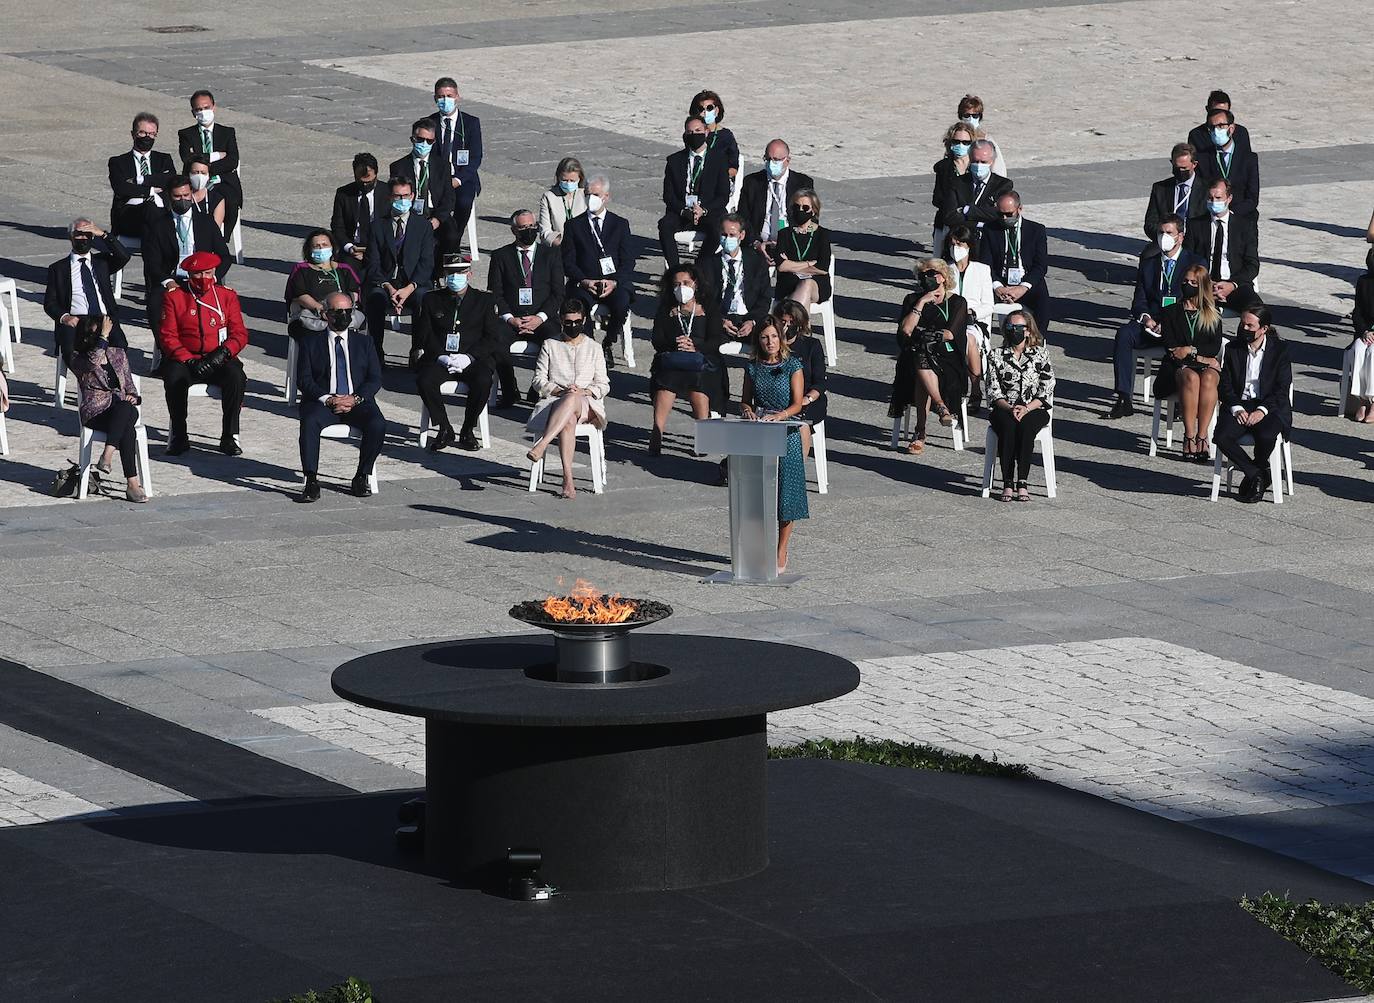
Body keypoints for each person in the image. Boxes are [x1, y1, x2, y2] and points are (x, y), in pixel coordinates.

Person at [1104, 214, 1204, 418]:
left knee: (1182, 340)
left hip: (1178, 324)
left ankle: (1177, 397)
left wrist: (1169, 324)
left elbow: (1197, 301)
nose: (1164, 237)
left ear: (1180, 237)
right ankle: (1124, 397)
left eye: (1169, 233)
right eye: (1161, 232)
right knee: (1124, 334)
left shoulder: (1194, 263)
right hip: (1153, 323)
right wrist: (1146, 318)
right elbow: (1138, 300)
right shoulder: (1149, 262)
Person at [295, 291, 385, 501]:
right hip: (324, 401)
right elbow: (304, 379)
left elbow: (374, 379)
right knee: (309, 422)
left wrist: (355, 398)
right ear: (326, 314)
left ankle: (362, 475)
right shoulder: (310, 342)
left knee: (378, 424)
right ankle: (311, 480)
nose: (343, 316)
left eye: (348, 311)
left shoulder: (365, 343)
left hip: (357, 401)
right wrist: (328, 398)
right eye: (338, 312)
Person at [159, 251, 248, 457]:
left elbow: (239, 334)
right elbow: (167, 336)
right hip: (186, 359)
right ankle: (179, 435)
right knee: (173, 379)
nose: (203, 279)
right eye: (197, 274)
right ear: (189, 275)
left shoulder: (226, 296)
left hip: (217, 357)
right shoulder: (175, 297)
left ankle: (230, 435)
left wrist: (222, 354)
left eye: (207, 273)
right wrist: (188, 359)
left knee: (236, 377)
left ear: (214, 272)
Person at [411, 254, 502, 452]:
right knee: (425, 380)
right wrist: (440, 356)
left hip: (472, 359)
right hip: (441, 357)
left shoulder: (485, 300)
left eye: (459, 272)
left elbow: (492, 337)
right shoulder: (432, 299)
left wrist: (469, 357)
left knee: (483, 381)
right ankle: (444, 427)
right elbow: (424, 334)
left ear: (469, 274)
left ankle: (468, 428)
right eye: (450, 273)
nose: (454, 277)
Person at [740, 317, 807, 572]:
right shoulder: (753, 367)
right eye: (765, 337)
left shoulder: (793, 365)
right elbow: (745, 400)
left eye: (774, 337)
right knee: (759, 494)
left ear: (781, 338)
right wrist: (747, 411)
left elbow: (798, 404)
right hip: (760, 431)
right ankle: (758, 546)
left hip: (785, 429)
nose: (770, 342)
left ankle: (781, 549)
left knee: (786, 494)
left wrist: (780, 416)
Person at [526, 298, 611, 499]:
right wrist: (558, 391)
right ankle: (568, 479)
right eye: (568, 322)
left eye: (577, 322)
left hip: (586, 403)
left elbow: (603, 384)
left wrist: (585, 392)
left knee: (573, 397)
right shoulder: (550, 344)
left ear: (583, 321)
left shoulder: (594, 348)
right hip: (557, 402)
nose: (573, 326)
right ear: (561, 321)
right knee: (568, 421)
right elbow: (538, 380)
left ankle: (543, 444)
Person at [888, 259, 969, 455]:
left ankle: (920, 433)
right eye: (923, 274)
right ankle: (941, 407)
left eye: (931, 273)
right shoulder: (912, 299)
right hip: (915, 357)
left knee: (921, 360)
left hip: (946, 358)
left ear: (943, 276)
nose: (927, 278)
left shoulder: (957, 302)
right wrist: (922, 301)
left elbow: (950, 334)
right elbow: (906, 330)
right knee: (919, 356)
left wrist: (927, 335)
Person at [1215, 303, 1292, 502]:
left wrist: (1262, 410)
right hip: (1240, 403)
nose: (1244, 329)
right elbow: (1225, 384)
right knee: (1222, 437)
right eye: (1242, 324)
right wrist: (1237, 408)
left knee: (1267, 435)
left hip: (1269, 405)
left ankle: (1256, 470)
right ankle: (1257, 474)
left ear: (1264, 329)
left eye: (1250, 326)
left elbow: (1282, 388)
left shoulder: (1280, 350)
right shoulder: (1233, 348)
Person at [141, 176, 231, 342]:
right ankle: (166, 352)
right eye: (177, 197)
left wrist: (212, 276)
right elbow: (151, 261)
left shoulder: (206, 222)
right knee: (155, 303)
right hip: (173, 279)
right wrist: (167, 281)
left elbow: (224, 256)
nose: (182, 200)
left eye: (186, 196)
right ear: (169, 196)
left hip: (203, 279)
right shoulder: (159, 225)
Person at [68, 316, 147, 503]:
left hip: (121, 408)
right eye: (95, 335)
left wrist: (132, 397)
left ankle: (107, 454)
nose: (99, 338)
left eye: (102, 334)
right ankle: (133, 485)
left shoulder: (118, 354)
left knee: (126, 409)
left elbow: (129, 385)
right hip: (96, 412)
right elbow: (92, 363)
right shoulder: (77, 358)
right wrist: (103, 336)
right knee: (127, 427)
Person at [490, 209, 565, 404]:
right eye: (523, 227)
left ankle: (537, 388)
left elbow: (558, 293)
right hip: (512, 317)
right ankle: (509, 389)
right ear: (514, 230)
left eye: (532, 226)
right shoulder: (500, 256)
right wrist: (510, 318)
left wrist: (540, 317)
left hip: (541, 317)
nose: (529, 231)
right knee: (495, 339)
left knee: (554, 339)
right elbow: (496, 293)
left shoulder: (551, 255)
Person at [648, 264, 725, 455]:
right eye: (676, 284)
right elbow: (657, 340)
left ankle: (703, 436)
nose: (681, 288)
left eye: (686, 283)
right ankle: (657, 431)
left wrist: (695, 347)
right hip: (673, 358)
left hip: (703, 359)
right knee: (666, 382)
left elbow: (716, 339)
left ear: (695, 284)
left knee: (699, 383)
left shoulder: (709, 308)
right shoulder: (666, 309)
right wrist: (675, 345)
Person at [562, 175, 635, 369]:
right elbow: (568, 261)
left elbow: (628, 261)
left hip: (613, 283)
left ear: (606, 197)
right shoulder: (573, 225)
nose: (590, 198)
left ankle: (608, 343)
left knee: (621, 303)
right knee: (578, 305)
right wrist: (584, 281)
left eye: (595, 194)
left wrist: (615, 282)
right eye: (587, 194)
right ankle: (590, 347)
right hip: (585, 282)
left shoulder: (620, 224)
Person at [1154, 264, 1226, 460]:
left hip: (1201, 365)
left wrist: (1190, 351)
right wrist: (1201, 357)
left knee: (1210, 377)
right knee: (1192, 378)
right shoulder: (1170, 312)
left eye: (1193, 283)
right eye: (1185, 281)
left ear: (1201, 286)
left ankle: (1203, 436)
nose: (1188, 285)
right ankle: (1189, 436)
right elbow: (1171, 348)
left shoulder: (1212, 314)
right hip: (1177, 369)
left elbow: (1214, 347)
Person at [361, 176, 435, 364]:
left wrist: (409, 288)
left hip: (412, 283)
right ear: (389, 198)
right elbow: (372, 263)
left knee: (423, 298)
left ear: (412, 196)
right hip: (385, 282)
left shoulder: (423, 226)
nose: (401, 200)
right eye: (397, 196)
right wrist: (389, 287)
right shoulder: (378, 226)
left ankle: (417, 349)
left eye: (405, 196)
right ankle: (376, 350)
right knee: (375, 298)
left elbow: (426, 263)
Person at [985, 309, 1054, 502]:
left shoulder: (1040, 354)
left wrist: (1027, 407)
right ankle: (1007, 482)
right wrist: (1010, 407)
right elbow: (992, 389)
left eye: (1017, 327)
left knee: (1026, 427)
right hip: (1005, 407)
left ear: (1028, 330)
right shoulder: (996, 355)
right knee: (1007, 427)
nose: (1013, 330)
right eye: (1009, 327)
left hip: (1033, 407)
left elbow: (1047, 387)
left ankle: (1022, 481)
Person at [44, 219, 131, 362]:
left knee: (119, 350)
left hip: (103, 318)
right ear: (71, 236)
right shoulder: (58, 268)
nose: (83, 238)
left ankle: (109, 382)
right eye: (79, 234)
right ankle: (88, 382)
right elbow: (50, 303)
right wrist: (65, 317)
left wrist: (103, 235)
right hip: (77, 320)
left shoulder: (102, 262)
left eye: (88, 234)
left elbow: (124, 256)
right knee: (72, 354)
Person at [659, 115, 731, 269]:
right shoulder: (674, 160)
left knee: (718, 229)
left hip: (708, 211)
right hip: (683, 211)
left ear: (706, 132)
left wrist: (703, 210)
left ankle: (699, 267)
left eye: (698, 131)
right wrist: (684, 211)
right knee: (665, 225)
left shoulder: (719, 159)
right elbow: (668, 195)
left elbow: (723, 195)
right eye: (690, 132)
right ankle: (675, 270)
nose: (694, 135)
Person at [980, 191, 1052, 333]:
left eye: (1009, 214)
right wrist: (998, 286)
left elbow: (1041, 265)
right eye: (1001, 214)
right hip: (1002, 282)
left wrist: (1023, 287)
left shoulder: (1036, 230)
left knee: (1042, 309)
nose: (1005, 218)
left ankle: (1037, 342)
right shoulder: (990, 229)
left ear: (1019, 209)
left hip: (1026, 282)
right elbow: (986, 263)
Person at [1184, 179, 1259, 314]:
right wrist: (1206, 283)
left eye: (1218, 198)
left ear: (1229, 198)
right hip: (1204, 284)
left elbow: (1252, 264)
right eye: (1210, 198)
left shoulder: (1245, 226)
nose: (1214, 202)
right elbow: (1189, 258)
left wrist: (1232, 284)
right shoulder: (1196, 225)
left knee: (1257, 310)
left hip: (1234, 284)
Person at [388, 119, 456, 268]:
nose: (424, 144)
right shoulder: (399, 166)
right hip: (410, 211)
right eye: (420, 139)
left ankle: (439, 272)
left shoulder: (443, 165)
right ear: (413, 139)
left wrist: (438, 219)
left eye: (429, 141)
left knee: (451, 235)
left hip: (434, 211)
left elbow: (449, 197)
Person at [177, 90, 242, 241]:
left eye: (206, 108)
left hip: (222, 180)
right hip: (196, 182)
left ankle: (221, 240)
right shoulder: (186, 134)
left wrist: (205, 168)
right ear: (193, 112)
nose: (203, 112)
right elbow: (187, 158)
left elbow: (232, 160)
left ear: (213, 107)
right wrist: (216, 156)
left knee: (231, 201)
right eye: (198, 109)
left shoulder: (227, 132)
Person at [737, 139, 814, 264]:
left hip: (791, 244)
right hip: (759, 243)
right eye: (768, 159)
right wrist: (756, 244)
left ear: (787, 160)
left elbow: (810, 219)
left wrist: (790, 243)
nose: (772, 163)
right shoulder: (752, 182)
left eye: (777, 160)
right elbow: (742, 218)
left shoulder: (803, 183)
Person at [428, 76, 483, 250]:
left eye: (449, 96)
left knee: (464, 202)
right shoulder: (430, 122)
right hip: (437, 179)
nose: (446, 100)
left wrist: (457, 180)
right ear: (436, 99)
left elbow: (475, 157)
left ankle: (453, 240)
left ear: (457, 96)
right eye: (441, 96)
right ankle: (437, 238)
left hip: (462, 178)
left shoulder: (470, 123)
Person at [107, 112, 177, 242]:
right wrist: (151, 190)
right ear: (133, 134)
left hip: (161, 210)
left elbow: (169, 179)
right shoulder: (118, 162)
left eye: (151, 134)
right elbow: (121, 188)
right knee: (150, 209)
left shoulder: (164, 159)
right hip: (130, 212)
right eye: (142, 133)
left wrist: (140, 180)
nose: (147, 137)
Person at [702, 213, 771, 343]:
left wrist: (752, 321)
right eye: (724, 235)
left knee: (770, 338)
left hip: (748, 316)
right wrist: (719, 320)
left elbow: (765, 296)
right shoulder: (707, 264)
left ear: (742, 235)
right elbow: (704, 299)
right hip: (721, 317)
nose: (728, 239)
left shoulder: (756, 261)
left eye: (732, 235)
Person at [944, 224, 993, 401]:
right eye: (953, 244)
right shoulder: (945, 269)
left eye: (960, 244)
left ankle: (975, 388)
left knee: (969, 338)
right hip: (950, 320)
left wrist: (972, 312)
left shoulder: (982, 270)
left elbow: (989, 305)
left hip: (974, 321)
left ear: (969, 246)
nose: (955, 248)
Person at [285, 230, 362, 339]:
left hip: (341, 311)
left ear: (332, 247)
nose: (321, 248)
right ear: (309, 250)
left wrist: (339, 307)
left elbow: (354, 292)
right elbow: (300, 294)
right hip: (314, 313)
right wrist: (322, 309)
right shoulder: (301, 269)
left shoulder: (344, 269)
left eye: (325, 245)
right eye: (316, 246)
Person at [775, 300, 826, 460]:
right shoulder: (771, 344)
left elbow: (820, 381)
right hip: (778, 398)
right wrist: (779, 342)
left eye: (792, 322)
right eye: (783, 322)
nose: (788, 326)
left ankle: (797, 469)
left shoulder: (811, 345)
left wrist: (807, 398)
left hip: (808, 400)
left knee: (801, 421)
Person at [1197, 107, 1260, 220]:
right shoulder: (1203, 158)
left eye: (1221, 126)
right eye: (1212, 127)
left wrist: (1230, 213)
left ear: (1231, 129)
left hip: (1241, 218)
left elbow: (1252, 197)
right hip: (1211, 218)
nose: (1216, 131)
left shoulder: (1248, 158)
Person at [773, 189, 832, 310]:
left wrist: (792, 265)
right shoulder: (784, 234)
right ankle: (803, 327)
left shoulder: (822, 234)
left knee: (806, 284)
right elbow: (781, 266)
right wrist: (809, 264)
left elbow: (823, 267)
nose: (800, 210)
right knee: (803, 289)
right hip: (789, 282)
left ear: (814, 210)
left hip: (817, 283)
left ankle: (797, 326)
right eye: (797, 206)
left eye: (805, 208)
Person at [938, 140, 1012, 232]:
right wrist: (979, 223)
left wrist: (966, 210)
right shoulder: (956, 182)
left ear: (992, 161)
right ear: (970, 158)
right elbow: (949, 217)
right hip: (963, 237)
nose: (979, 165)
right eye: (975, 161)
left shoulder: (1003, 185)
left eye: (983, 162)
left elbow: (999, 214)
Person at [1144, 143, 1206, 240]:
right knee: (1147, 255)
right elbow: (1150, 223)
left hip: (1197, 240)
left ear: (1194, 164)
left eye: (1184, 168)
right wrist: (1165, 236)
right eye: (1177, 168)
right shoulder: (1160, 188)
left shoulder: (1206, 189)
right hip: (1167, 239)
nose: (1181, 171)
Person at [931, 122, 976, 255]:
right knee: (941, 259)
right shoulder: (943, 167)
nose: (960, 145)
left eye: (966, 142)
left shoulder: (977, 166)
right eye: (956, 141)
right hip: (947, 221)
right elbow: (937, 198)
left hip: (971, 221)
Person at [330, 153, 380, 264]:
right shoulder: (343, 194)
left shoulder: (387, 192)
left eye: (369, 182)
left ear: (376, 174)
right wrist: (349, 247)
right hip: (353, 247)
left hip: (379, 248)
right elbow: (337, 226)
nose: (365, 185)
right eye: (361, 182)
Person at [689, 90, 740, 187]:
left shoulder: (726, 136)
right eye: (701, 109)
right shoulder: (693, 134)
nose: (705, 112)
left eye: (709, 108)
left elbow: (733, 163)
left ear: (716, 110)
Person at [1346, 247, 1374, 421]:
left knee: (1373, 354)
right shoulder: (1363, 282)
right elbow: (1357, 312)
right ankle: (1362, 400)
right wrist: (1364, 331)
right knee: (1358, 350)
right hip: (1365, 331)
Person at [1187, 90, 1253, 159]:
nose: (1220, 116)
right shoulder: (1196, 135)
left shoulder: (1240, 133)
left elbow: (1247, 161)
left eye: (1224, 112)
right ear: (1207, 109)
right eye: (1216, 112)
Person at [537, 157, 586, 248]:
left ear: (579, 178)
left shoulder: (586, 196)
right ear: (558, 177)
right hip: (558, 248)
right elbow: (545, 231)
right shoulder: (549, 197)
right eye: (564, 180)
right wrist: (563, 245)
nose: (568, 183)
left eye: (572, 181)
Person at [956, 95, 1007, 176]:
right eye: (967, 115)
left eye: (975, 115)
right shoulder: (955, 140)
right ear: (961, 116)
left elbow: (999, 171)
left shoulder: (987, 141)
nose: (970, 119)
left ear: (980, 117)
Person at [184, 154, 227, 233]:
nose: (199, 176)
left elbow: (215, 230)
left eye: (203, 173)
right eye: (195, 172)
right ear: (188, 174)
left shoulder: (216, 199)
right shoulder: (181, 197)